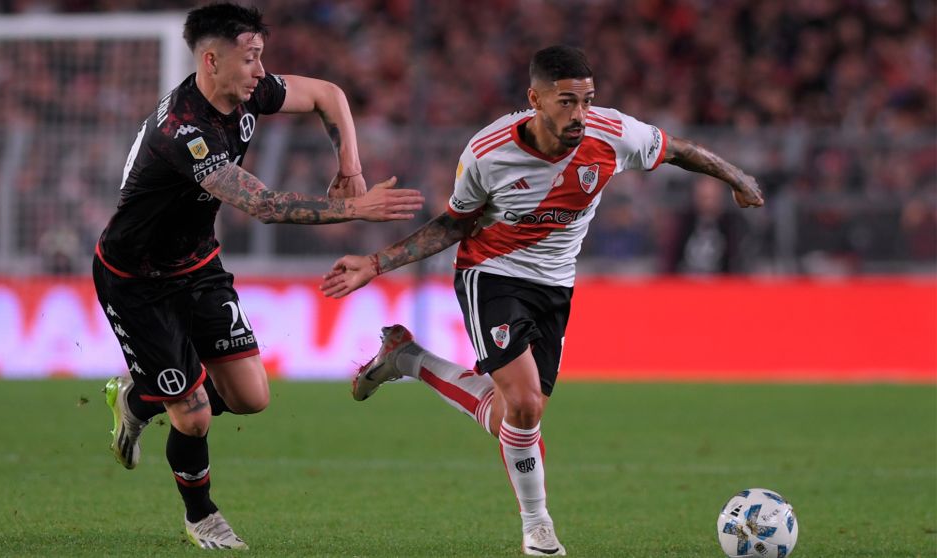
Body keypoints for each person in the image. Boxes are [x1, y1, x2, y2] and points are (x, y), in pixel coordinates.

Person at [319, 45, 763, 556]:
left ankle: (408, 358)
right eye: (566, 102)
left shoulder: (611, 134)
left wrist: (736, 176)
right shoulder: (488, 152)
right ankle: (538, 527)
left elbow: (678, 149)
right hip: (492, 273)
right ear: (535, 99)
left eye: (588, 101)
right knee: (526, 406)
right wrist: (375, 265)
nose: (579, 115)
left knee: (510, 416)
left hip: (555, 286)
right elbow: (454, 224)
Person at [93, 3, 423, 550]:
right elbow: (264, 205)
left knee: (249, 397)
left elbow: (329, 95)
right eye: (250, 59)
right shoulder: (186, 131)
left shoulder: (248, 92)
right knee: (195, 415)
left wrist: (351, 167)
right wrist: (355, 208)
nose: (259, 70)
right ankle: (202, 517)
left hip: (197, 264)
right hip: (136, 279)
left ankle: (138, 399)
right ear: (211, 59)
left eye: (261, 57)